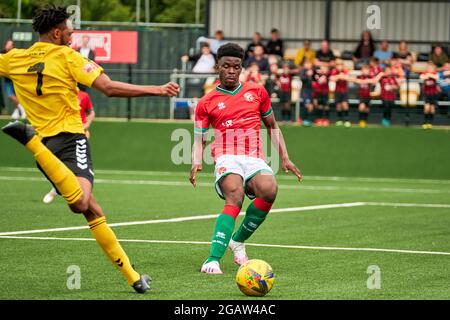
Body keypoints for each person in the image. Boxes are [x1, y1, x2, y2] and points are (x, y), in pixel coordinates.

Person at [0, 5, 179, 293]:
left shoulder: (14, 59)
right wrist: (157, 90)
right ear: (57, 33)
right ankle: (28, 139)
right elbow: (107, 87)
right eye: (70, 29)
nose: (73, 33)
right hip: (70, 140)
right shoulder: (68, 56)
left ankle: (134, 278)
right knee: (81, 203)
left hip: (47, 152)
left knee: (91, 209)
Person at [190, 43, 302, 274]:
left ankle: (237, 240)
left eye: (236, 67)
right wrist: (196, 161)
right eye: (226, 66)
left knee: (269, 189)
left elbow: (272, 126)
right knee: (235, 195)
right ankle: (212, 260)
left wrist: (285, 157)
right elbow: (199, 138)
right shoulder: (206, 102)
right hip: (226, 156)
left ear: (241, 68)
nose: (231, 70)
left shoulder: (258, 92)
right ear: (217, 68)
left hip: (254, 157)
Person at [43, 87, 96, 203]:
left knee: (81, 164)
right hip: (61, 132)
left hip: (80, 133)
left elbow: (91, 112)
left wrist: (86, 125)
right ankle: (57, 188)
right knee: (57, 163)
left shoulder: (83, 95)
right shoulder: (59, 92)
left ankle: (82, 190)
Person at [1, 40, 26, 119]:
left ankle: (21, 110)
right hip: (7, 79)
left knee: (15, 95)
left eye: (10, 44)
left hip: (16, 78)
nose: (8, 46)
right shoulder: (2, 52)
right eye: (7, 44)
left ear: (13, 46)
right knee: (10, 95)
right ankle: (18, 110)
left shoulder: (16, 53)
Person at [330, 60, 350, 127]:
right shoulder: (334, 71)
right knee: (338, 105)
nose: (339, 67)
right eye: (338, 65)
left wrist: (341, 76)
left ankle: (347, 120)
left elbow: (347, 77)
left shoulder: (345, 71)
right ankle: (339, 120)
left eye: (341, 65)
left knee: (345, 105)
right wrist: (339, 76)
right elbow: (332, 78)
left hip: (344, 91)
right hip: (337, 91)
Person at [420, 63, 440, 129]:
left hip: (434, 94)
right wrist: (427, 75)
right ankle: (425, 122)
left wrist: (430, 75)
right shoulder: (424, 73)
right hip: (427, 94)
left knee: (432, 109)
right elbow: (421, 77)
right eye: (428, 68)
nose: (429, 69)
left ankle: (430, 123)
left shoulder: (435, 73)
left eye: (431, 68)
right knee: (426, 108)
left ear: (433, 69)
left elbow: (437, 77)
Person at [299, 61, 315, 126]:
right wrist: (307, 75)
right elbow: (302, 78)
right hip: (305, 91)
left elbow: (315, 79)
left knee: (310, 105)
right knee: (307, 105)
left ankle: (307, 119)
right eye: (307, 63)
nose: (309, 65)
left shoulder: (312, 71)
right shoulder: (303, 71)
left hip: (311, 91)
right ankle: (304, 119)